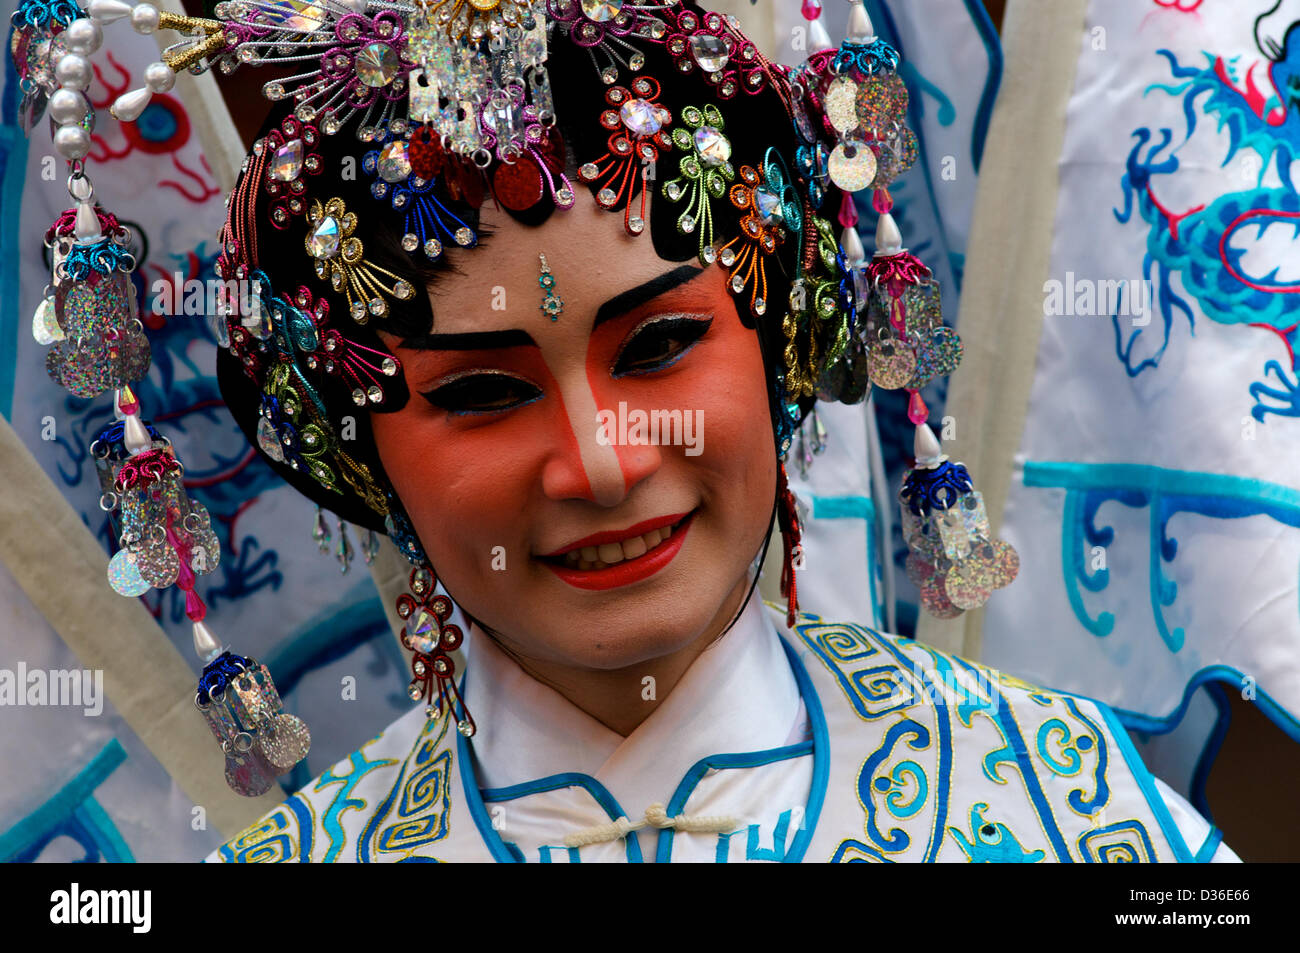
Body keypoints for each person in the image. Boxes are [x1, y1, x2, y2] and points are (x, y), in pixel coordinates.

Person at [194, 0, 1233, 862]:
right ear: (356, 454)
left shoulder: (1064, 798)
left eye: (658, 348)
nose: (601, 466)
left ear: (779, 343)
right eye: (479, 395)